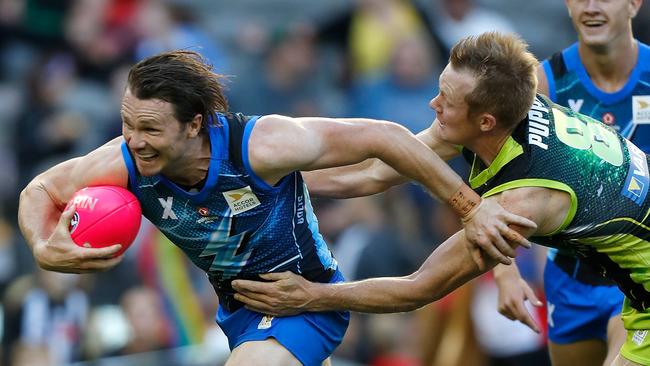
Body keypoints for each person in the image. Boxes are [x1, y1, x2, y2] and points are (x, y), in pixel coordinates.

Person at [16, 50, 534, 366]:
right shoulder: (123, 159)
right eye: (128, 123)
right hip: (239, 314)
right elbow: (38, 190)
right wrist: (44, 246)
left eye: (151, 128)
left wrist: (471, 207)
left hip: (305, 302)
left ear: (195, 124)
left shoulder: (261, 145)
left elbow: (385, 136)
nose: (135, 140)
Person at [231, 32, 650, 366]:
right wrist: (263, 177)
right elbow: (375, 171)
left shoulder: (518, 204)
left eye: (445, 102)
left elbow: (419, 288)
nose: (432, 105)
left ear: (485, 121)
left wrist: (311, 295)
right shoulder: (509, 108)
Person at [493, 1, 649, 365]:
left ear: (634, 4)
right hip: (569, 279)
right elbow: (494, 183)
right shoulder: (542, 84)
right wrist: (504, 273)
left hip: (633, 276)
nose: (591, 7)